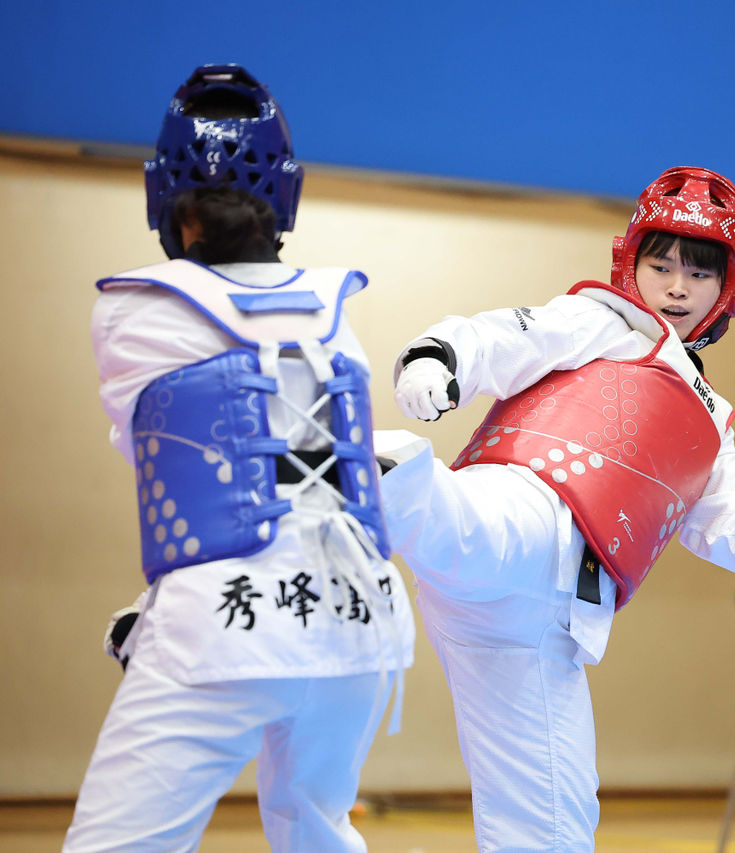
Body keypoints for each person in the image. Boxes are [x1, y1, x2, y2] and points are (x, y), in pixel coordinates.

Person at [381, 166, 735, 852]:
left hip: (549, 625)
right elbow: (511, 335)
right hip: (529, 512)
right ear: (630, 264)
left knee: (554, 821)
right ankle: (396, 481)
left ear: (729, 289)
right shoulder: (604, 321)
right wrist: (439, 356)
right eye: (661, 266)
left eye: (699, 273)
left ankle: (399, 489)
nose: (677, 287)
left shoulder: (710, 422)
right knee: (494, 529)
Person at [65, 64, 415, 852]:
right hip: (361, 626)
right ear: (284, 193)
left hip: (224, 630)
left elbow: (182, 467)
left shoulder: (132, 310)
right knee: (316, 833)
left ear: (166, 197)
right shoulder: (336, 311)